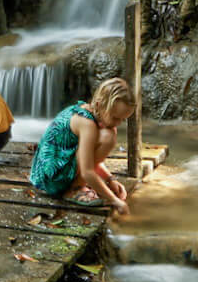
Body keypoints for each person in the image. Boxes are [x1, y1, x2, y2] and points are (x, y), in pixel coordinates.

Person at [29, 77, 135, 214]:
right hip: (50, 179)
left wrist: (110, 179)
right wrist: (114, 200)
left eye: (123, 119)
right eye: (115, 117)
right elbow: (87, 171)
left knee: (109, 133)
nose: (118, 123)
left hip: (47, 174)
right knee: (108, 136)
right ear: (98, 105)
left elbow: (89, 159)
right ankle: (73, 190)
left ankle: (76, 185)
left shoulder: (86, 111)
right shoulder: (87, 124)